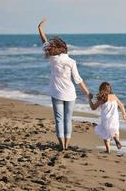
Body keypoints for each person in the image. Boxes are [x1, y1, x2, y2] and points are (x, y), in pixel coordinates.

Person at [38, 18, 91, 151]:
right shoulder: (71, 61)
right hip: (70, 93)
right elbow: (78, 79)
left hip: (56, 93)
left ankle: (62, 145)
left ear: (54, 48)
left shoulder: (52, 58)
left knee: (59, 119)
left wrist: (40, 29)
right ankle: (67, 145)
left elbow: (45, 42)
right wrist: (87, 93)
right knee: (68, 119)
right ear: (65, 48)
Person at [89, 82, 126, 153]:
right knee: (115, 131)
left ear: (101, 89)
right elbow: (121, 105)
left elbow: (93, 107)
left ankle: (108, 149)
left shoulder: (102, 98)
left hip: (106, 119)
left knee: (105, 133)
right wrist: (124, 114)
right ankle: (116, 140)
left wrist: (89, 99)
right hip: (115, 119)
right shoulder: (114, 96)